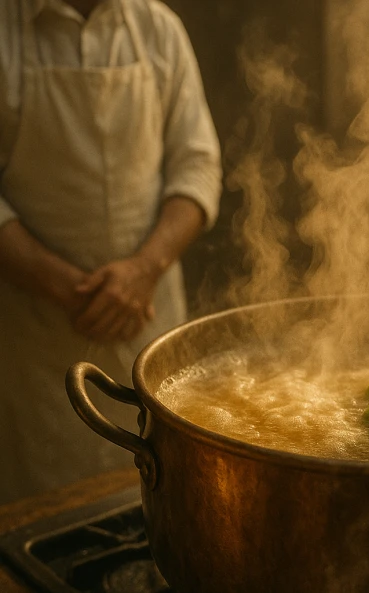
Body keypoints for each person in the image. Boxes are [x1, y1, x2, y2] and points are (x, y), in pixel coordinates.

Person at [0, 0, 221, 504]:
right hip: (32, 349)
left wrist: (144, 270)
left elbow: (199, 166)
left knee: (160, 499)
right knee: (41, 524)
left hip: (148, 325)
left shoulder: (158, 28)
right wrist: (63, 285)